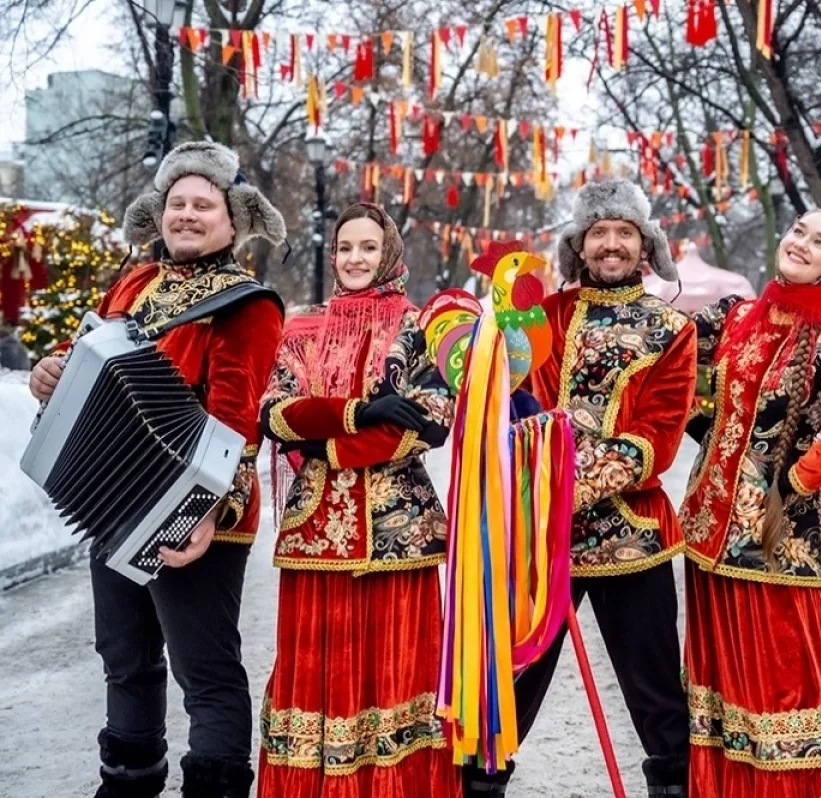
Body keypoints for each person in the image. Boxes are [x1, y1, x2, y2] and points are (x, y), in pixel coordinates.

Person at [27, 141, 286, 798]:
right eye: (177, 203)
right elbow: (89, 351)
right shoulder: (134, 279)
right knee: (125, 660)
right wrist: (50, 369)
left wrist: (199, 510)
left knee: (205, 670)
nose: (188, 214)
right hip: (112, 498)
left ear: (232, 219)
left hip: (203, 514)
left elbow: (234, 414)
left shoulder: (248, 301)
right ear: (159, 212)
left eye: (204, 204)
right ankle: (127, 785)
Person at [461, 180, 697, 798]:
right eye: (599, 233)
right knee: (512, 677)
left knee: (655, 692)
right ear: (580, 245)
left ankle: (671, 785)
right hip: (540, 534)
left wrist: (573, 482)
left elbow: (659, 435)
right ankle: (482, 785)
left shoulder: (673, 328)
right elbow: (514, 403)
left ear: (645, 245)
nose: (611, 244)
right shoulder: (546, 317)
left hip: (632, 538)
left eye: (624, 232)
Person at [256, 203, 461, 798]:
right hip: (315, 531)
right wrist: (359, 411)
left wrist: (328, 443)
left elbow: (431, 419)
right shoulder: (302, 326)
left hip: (398, 530)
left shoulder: (422, 326)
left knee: (396, 671)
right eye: (345, 247)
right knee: (316, 674)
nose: (354, 259)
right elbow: (274, 412)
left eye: (368, 248)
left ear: (390, 254)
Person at [680, 209, 821, 796]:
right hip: (708, 541)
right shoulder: (737, 316)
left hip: (777, 549)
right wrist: (714, 447)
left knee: (784, 697)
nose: (802, 245)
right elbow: (676, 372)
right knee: (721, 700)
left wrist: (790, 485)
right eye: (798, 231)